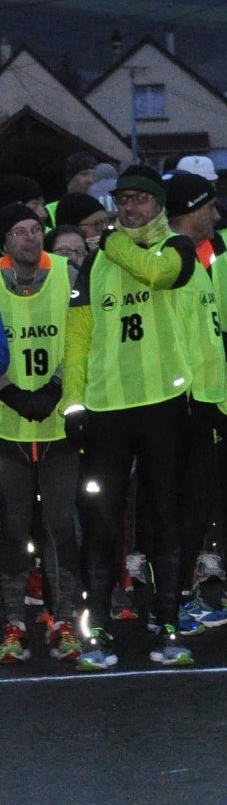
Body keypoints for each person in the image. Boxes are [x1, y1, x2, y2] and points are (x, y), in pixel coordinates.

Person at [66, 165, 198, 669]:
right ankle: (98, 629)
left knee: (165, 517)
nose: (130, 208)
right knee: (101, 522)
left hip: (164, 404)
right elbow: (78, 336)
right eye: (123, 200)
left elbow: (158, 274)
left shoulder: (176, 247)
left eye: (140, 199)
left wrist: (112, 242)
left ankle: (167, 624)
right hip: (107, 409)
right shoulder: (95, 263)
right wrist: (74, 403)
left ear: (159, 205)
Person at [0, 204, 80, 666]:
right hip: (6, 427)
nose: (30, 238)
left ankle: (63, 620)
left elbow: (82, 339)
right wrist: (7, 391)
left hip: (58, 425)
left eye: (35, 230)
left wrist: (56, 387)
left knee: (60, 526)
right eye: (19, 232)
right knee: (12, 530)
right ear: (5, 241)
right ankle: (13, 623)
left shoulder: (67, 274)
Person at [164, 171, 227, 635]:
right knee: (182, 508)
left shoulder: (196, 255)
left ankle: (180, 596)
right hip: (184, 405)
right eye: (209, 207)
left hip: (204, 402)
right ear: (190, 210)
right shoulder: (173, 260)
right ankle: (174, 603)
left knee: (196, 506)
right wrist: (191, 398)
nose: (216, 215)